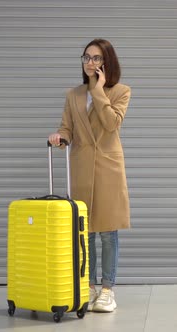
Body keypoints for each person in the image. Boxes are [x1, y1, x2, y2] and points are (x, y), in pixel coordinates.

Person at [48, 38, 131, 313]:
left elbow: (111, 123)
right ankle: (88, 287)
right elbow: (67, 128)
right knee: (85, 233)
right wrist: (60, 138)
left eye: (96, 58)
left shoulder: (120, 91)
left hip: (108, 168)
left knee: (107, 232)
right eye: (86, 58)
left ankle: (108, 290)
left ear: (107, 62)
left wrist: (98, 90)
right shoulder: (73, 94)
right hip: (81, 168)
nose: (90, 63)